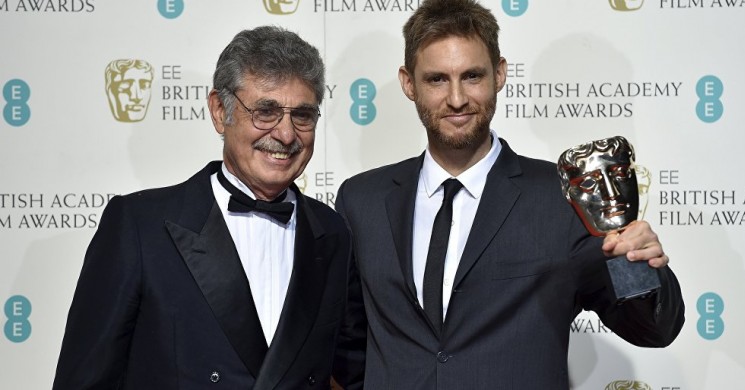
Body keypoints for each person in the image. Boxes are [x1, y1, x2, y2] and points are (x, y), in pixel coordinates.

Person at [335, 0, 685, 388]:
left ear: (499, 74)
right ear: (408, 82)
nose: (456, 99)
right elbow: (346, 345)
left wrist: (634, 263)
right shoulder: (362, 200)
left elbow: (654, 330)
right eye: (436, 79)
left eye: (472, 76)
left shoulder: (564, 196)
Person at [54, 26, 363, 389]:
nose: (285, 134)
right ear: (220, 111)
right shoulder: (139, 226)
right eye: (265, 111)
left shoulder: (333, 232)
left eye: (303, 115)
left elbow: (356, 372)